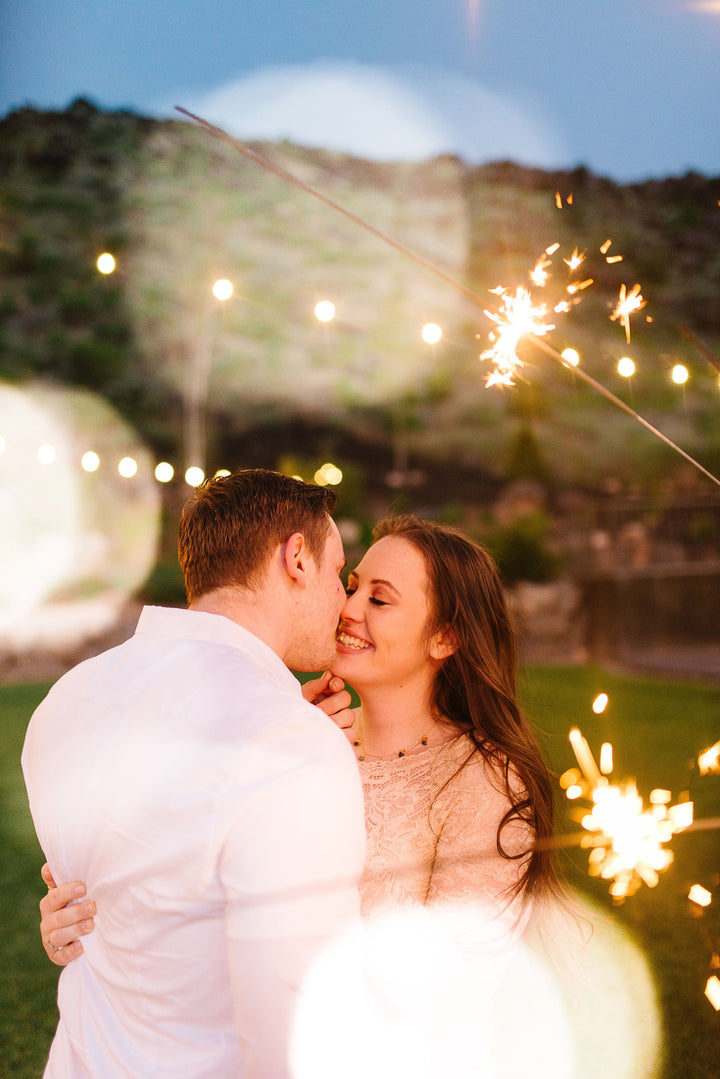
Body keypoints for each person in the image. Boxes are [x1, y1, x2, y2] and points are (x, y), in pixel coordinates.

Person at [41, 514, 566, 954]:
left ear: (445, 637)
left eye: (379, 601)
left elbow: (454, 979)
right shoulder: (293, 736)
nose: (349, 608)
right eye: (352, 586)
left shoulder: (484, 783)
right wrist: (84, 916)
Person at [22, 469, 367, 1079]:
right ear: (296, 559)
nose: (343, 600)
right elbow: (294, 1025)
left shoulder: (67, 700)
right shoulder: (290, 745)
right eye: (339, 572)